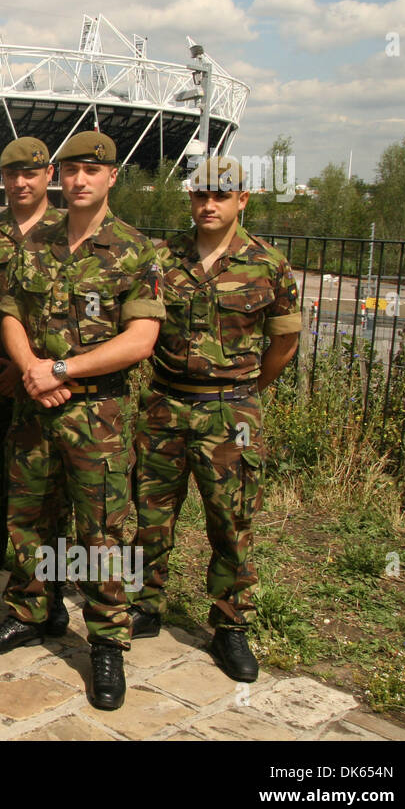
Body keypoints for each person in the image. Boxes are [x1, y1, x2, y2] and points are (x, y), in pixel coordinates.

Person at [0, 130, 163, 711]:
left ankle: (107, 640)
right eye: (72, 170)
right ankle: (33, 609)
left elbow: (140, 339)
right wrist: (31, 367)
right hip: (35, 408)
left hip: (98, 414)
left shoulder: (135, 250)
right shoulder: (36, 245)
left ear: (111, 178)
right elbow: (9, 313)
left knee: (102, 530)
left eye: (93, 171)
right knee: (28, 515)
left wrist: (61, 368)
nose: (79, 180)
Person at [130, 155, 300, 682]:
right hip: (163, 404)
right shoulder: (163, 259)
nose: (208, 204)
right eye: (200, 195)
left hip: (231, 411)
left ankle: (230, 626)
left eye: (220, 196)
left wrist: (242, 392)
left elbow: (284, 341)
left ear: (242, 200)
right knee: (150, 515)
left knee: (231, 522)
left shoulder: (268, 263)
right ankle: (145, 604)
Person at [0, 137, 69, 636]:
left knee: (47, 494)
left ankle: (48, 592)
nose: (21, 183)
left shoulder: (67, 233)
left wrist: (42, 371)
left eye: (31, 173)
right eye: (11, 174)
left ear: (49, 176)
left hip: (50, 385)